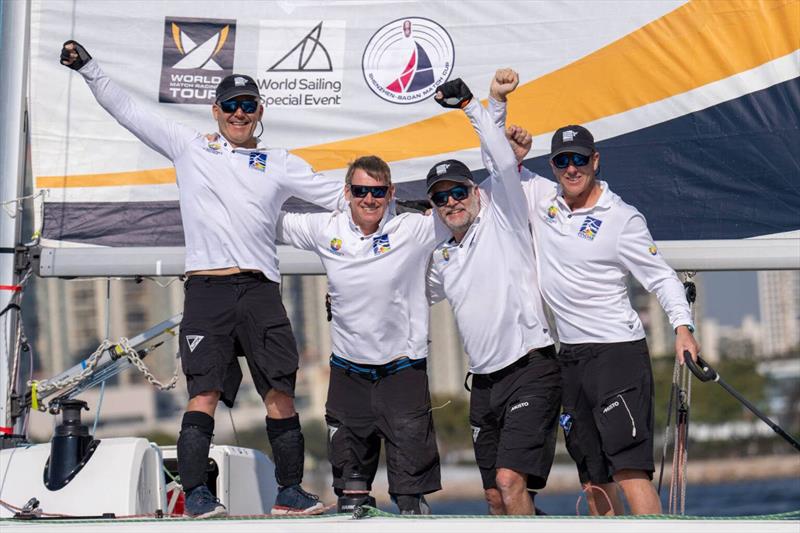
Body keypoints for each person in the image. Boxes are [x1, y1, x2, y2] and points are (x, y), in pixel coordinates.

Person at [61, 41, 345, 518]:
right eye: (230, 105)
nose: (238, 113)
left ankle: (289, 492)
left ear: (259, 111)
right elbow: (128, 111)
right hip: (208, 290)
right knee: (204, 393)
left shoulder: (281, 162)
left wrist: (405, 212)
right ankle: (196, 495)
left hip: (260, 289)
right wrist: (89, 68)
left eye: (247, 105)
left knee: (279, 392)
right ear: (215, 111)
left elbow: (346, 196)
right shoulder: (189, 146)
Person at [484, 77, 701, 515]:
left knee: (628, 469)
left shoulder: (622, 218)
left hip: (617, 355)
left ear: (595, 161)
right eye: (562, 160)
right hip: (571, 360)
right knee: (593, 476)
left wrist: (683, 329)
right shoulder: (544, 199)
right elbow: (496, 172)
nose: (571, 168)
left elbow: (661, 278)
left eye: (579, 159)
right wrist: (499, 109)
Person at [277, 156, 445, 514]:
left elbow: (473, 213)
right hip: (348, 376)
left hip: (403, 374)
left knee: (410, 498)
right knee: (351, 497)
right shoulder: (327, 228)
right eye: (360, 191)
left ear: (391, 194)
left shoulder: (413, 229)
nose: (369, 199)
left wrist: (510, 157)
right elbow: (265, 221)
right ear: (347, 193)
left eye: (378, 192)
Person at [425, 74, 561, 515]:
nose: (451, 202)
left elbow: (501, 161)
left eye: (458, 191)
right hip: (483, 383)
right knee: (494, 498)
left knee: (509, 480)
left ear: (476, 193)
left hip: (530, 369)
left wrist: (471, 105)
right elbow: (402, 295)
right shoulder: (442, 255)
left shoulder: (504, 218)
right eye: (440, 198)